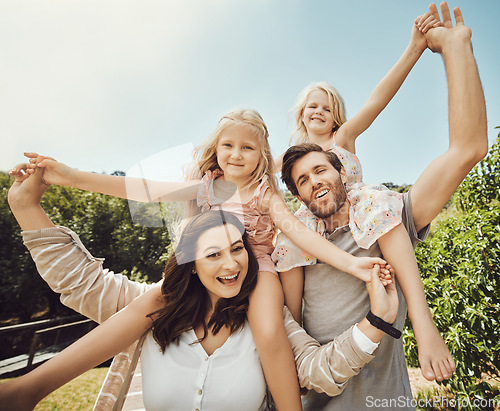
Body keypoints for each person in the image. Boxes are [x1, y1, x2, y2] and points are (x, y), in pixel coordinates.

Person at [19, 109, 388, 409]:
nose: (236, 154)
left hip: (256, 267)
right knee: (147, 304)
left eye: (248, 148)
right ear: (217, 148)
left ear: (262, 157)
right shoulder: (207, 186)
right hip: (204, 263)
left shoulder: (263, 193)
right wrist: (71, 176)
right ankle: (32, 387)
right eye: (228, 145)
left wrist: (350, 262)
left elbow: (297, 231)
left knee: (271, 330)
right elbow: (146, 191)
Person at [276, 3, 487, 409]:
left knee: (382, 204)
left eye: (326, 105)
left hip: (369, 217)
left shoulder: (349, 148)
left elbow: (464, 146)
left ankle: (424, 326)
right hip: (312, 246)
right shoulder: (289, 174)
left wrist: (423, 48)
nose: (318, 110)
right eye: (303, 178)